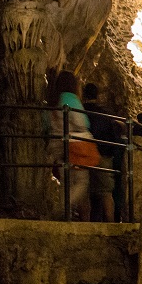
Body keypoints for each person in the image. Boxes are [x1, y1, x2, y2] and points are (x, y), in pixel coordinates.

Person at [49, 71, 93, 221]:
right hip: (73, 145)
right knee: (81, 181)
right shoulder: (70, 98)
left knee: (66, 181)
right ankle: (61, 207)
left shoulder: (53, 99)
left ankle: (66, 213)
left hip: (56, 143)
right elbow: (82, 122)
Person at [82, 83, 117, 222]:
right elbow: (112, 134)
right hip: (102, 154)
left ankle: (85, 224)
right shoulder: (104, 113)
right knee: (105, 192)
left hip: (83, 153)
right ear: (97, 95)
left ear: (84, 94)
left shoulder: (80, 111)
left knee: (84, 191)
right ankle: (111, 222)